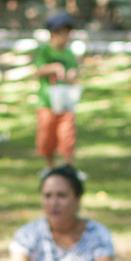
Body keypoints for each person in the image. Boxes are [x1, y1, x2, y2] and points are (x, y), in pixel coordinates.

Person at [32, 13, 80, 169]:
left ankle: (67, 166)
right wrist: (53, 68)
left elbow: (74, 72)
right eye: (63, 33)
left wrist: (72, 76)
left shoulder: (69, 53)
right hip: (47, 102)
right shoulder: (45, 51)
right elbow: (38, 70)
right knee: (47, 137)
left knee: (67, 136)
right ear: (54, 33)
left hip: (65, 102)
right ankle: (50, 167)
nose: (66, 37)